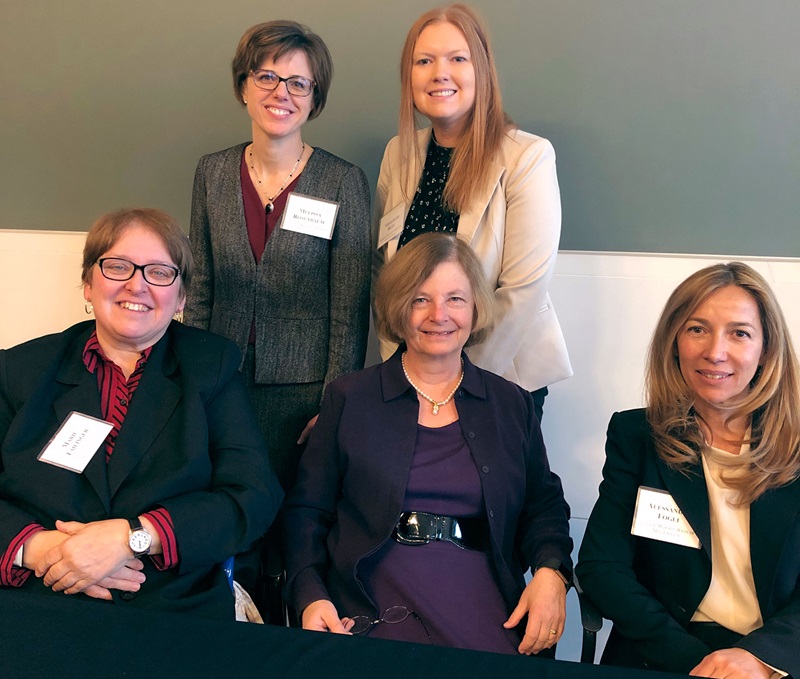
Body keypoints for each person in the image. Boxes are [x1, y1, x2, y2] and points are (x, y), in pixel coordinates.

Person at [284, 233, 572, 655]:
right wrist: (310, 595)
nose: (439, 315)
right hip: (371, 596)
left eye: (455, 298)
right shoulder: (349, 397)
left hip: (484, 597)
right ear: (398, 308)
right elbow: (307, 512)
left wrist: (552, 572)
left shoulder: (510, 403)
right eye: (420, 299)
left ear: (476, 308)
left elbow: (543, 505)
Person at [0, 208, 283, 618]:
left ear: (181, 297)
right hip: (40, 598)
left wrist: (133, 537)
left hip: (171, 605)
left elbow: (254, 496)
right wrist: (39, 549)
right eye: (117, 266)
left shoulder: (211, 366)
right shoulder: (20, 369)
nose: (137, 285)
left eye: (160, 272)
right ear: (87, 282)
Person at [576, 262, 800, 678]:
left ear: (766, 349)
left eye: (739, 333)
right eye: (697, 328)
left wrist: (760, 658)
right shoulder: (636, 435)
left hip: (773, 658)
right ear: (674, 341)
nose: (715, 351)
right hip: (664, 651)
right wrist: (693, 661)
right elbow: (601, 566)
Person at [186, 20, 371, 491]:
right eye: (266, 76)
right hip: (222, 383)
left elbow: (348, 310)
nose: (280, 93)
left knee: (291, 517)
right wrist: (194, 382)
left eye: (297, 83)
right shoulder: (212, 173)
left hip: (302, 393)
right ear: (243, 87)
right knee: (225, 507)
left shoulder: (341, 182)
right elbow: (200, 290)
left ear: (314, 97)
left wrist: (334, 405)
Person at [373, 3, 571, 422]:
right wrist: (400, 374)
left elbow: (521, 292)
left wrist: (459, 384)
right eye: (424, 61)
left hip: (499, 379)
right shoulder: (399, 154)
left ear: (481, 70)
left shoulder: (527, 157)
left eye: (457, 58)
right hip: (412, 380)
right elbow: (385, 275)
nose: (439, 73)